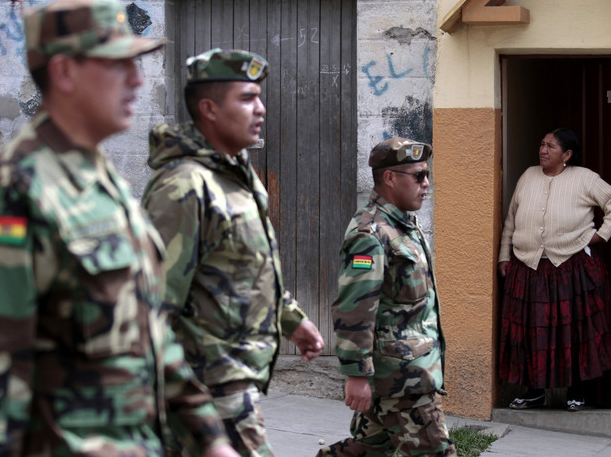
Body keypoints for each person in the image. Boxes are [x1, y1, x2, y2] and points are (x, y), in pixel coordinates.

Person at [0, 0, 237, 457]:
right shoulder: (16, 187)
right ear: (64, 73)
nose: (137, 80)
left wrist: (207, 434)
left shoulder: (102, 179)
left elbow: (147, 328)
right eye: (118, 64)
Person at [142, 48, 325, 457]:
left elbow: (249, 268)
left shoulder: (236, 178)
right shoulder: (183, 188)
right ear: (208, 109)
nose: (261, 109)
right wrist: (189, 412)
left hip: (234, 381)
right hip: (205, 389)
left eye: (260, 97)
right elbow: (150, 310)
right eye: (246, 98)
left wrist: (290, 320)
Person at [318, 138, 456, 457]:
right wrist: (355, 375)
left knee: (369, 449)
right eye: (418, 176)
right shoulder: (370, 234)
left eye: (427, 175)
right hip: (402, 379)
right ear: (391, 178)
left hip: (409, 369)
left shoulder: (403, 227)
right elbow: (355, 307)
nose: (426, 183)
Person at [498, 128, 611, 412]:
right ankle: (534, 391)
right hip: (529, 265)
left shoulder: (585, 178)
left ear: (567, 155)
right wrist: (504, 256)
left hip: (570, 266)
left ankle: (576, 392)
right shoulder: (528, 175)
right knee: (533, 331)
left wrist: (600, 235)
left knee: (573, 331)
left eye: (551, 146)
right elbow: (512, 218)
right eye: (542, 144)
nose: (543, 150)